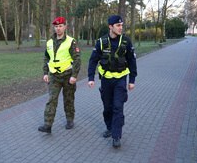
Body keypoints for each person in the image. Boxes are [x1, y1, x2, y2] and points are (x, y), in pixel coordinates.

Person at [87, 15, 137, 148]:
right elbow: (93, 60)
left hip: (120, 79)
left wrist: (132, 80)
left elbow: (132, 61)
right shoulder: (102, 42)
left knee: (117, 107)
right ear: (110, 26)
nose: (121, 28)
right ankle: (109, 128)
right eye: (118, 25)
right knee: (107, 107)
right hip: (106, 81)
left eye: (122, 25)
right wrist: (90, 78)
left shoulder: (126, 41)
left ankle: (116, 136)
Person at [38, 17, 81, 134]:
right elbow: (46, 58)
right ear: (54, 27)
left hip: (68, 76)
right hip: (54, 76)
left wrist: (74, 76)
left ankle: (70, 120)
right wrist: (45, 73)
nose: (58, 28)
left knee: (68, 99)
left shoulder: (71, 41)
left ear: (65, 27)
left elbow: (77, 59)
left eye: (60, 26)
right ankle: (47, 125)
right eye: (56, 26)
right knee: (52, 99)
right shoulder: (49, 42)